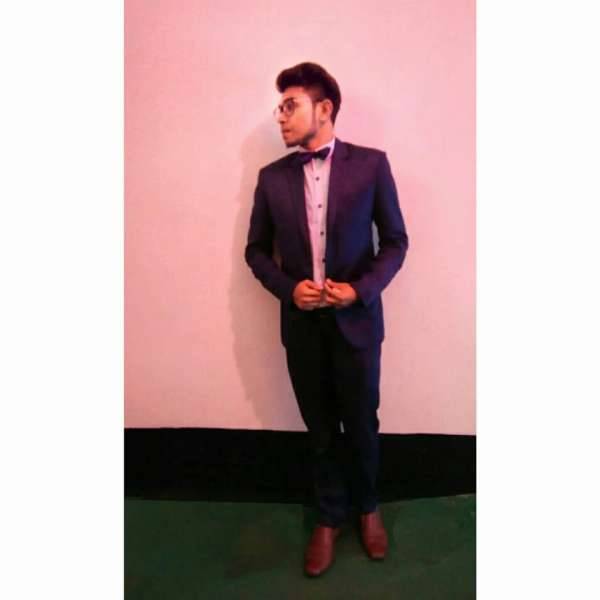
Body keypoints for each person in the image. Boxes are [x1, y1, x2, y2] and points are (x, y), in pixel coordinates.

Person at [244, 62, 409, 577]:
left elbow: (395, 242)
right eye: (280, 107)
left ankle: (368, 507)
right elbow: (256, 252)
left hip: (357, 325)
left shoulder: (371, 166)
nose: (280, 117)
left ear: (325, 108)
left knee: (362, 422)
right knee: (319, 429)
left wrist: (360, 290)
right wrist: (288, 289)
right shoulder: (271, 179)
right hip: (303, 329)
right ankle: (329, 515)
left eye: (289, 105)